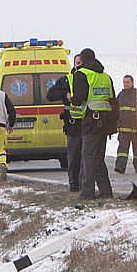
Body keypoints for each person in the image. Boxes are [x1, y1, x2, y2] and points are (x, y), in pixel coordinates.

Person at [70, 48, 119, 200]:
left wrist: (71, 98)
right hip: (105, 122)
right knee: (98, 158)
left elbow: (79, 98)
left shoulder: (82, 74)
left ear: (83, 60)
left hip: (90, 119)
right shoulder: (105, 76)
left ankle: (87, 192)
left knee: (88, 157)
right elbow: (113, 100)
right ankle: (105, 191)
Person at [46, 54, 84, 192]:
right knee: (73, 157)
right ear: (74, 64)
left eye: (81, 62)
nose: (79, 65)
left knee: (87, 158)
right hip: (73, 125)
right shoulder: (67, 80)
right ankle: (74, 185)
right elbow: (50, 96)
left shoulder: (90, 79)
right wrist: (64, 93)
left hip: (88, 124)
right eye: (77, 62)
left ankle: (86, 186)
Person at [114, 75, 137, 174]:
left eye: (127, 82)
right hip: (124, 129)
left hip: (135, 129)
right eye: (124, 82)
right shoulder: (120, 95)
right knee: (122, 150)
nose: (125, 84)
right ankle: (120, 167)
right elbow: (116, 111)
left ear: (132, 82)